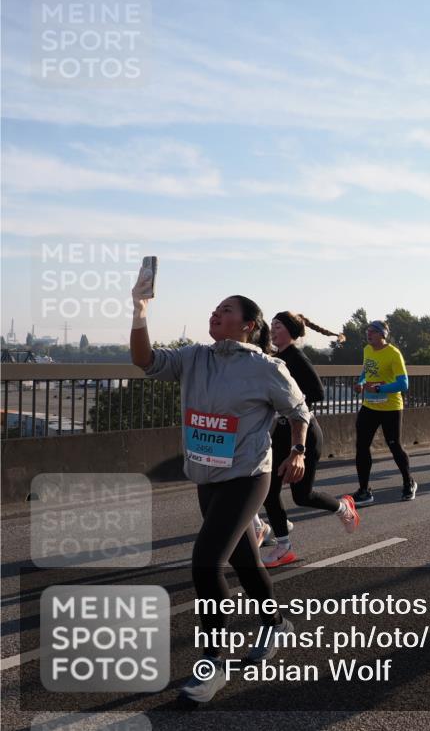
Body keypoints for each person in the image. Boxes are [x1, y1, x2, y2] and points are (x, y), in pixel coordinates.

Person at [130, 276, 307, 703]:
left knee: (206, 564)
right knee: (246, 564)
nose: (216, 313)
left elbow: (299, 409)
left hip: (247, 478)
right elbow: (145, 360)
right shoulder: (194, 358)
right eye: (215, 308)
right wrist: (139, 310)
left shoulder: (267, 367)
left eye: (227, 309)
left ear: (248, 325)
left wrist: (298, 450)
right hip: (206, 477)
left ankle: (214, 663)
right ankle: (276, 623)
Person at [260, 312, 358, 568]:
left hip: (304, 433)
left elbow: (317, 393)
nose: (273, 330)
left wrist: (292, 403)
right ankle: (284, 545)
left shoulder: (297, 358)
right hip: (280, 432)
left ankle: (343, 507)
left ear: (290, 331)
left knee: (302, 496)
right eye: (271, 326)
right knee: (268, 491)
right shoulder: (275, 357)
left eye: (278, 326)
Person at [352, 320, 417, 505]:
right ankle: (364, 490)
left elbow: (404, 384)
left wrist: (379, 389)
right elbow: (367, 371)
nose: (368, 334)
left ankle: (408, 482)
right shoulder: (367, 350)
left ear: (382, 334)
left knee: (394, 446)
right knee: (362, 446)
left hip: (390, 407)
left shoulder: (393, 354)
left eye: (372, 331)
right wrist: (361, 383)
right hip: (369, 406)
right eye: (367, 331)